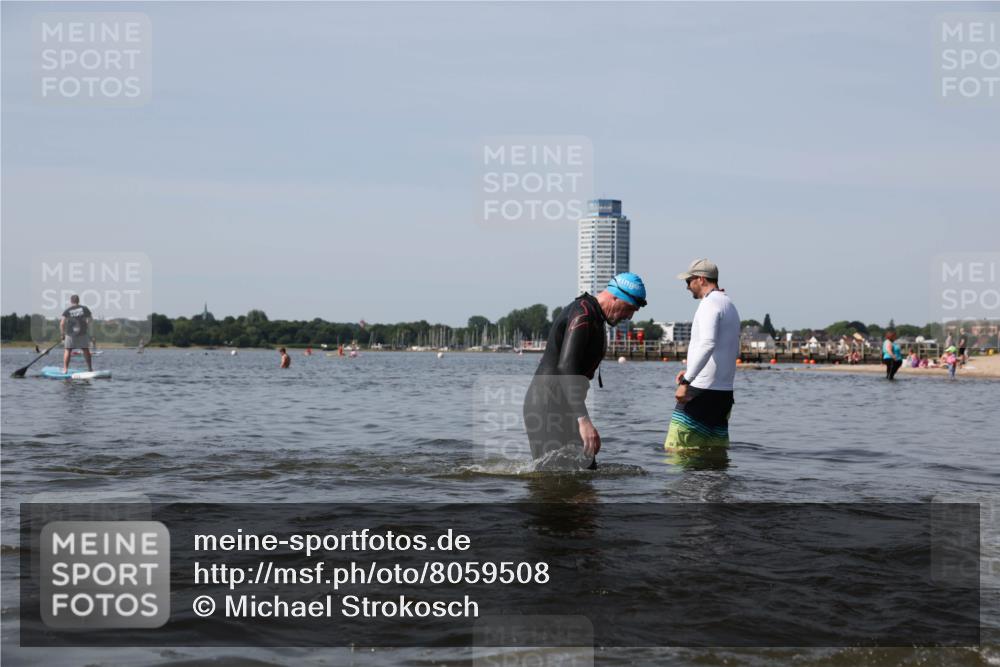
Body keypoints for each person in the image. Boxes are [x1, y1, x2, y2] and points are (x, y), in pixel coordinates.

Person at [523, 272, 647, 469]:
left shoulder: (595, 316)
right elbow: (565, 367)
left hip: (565, 405)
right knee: (550, 481)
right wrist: (584, 421)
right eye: (629, 308)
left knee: (586, 474)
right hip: (547, 406)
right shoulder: (583, 313)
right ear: (615, 297)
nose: (629, 316)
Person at [665, 259, 740, 452]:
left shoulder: (709, 304)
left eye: (688, 281)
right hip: (723, 394)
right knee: (714, 455)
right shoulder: (729, 304)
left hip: (701, 392)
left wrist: (686, 382)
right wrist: (691, 369)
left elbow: (707, 344)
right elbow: (724, 348)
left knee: (677, 450)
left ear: (700, 279)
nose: (687, 287)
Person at [60, 295, 93, 374]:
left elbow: (62, 323)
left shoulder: (67, 310)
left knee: (68, 350)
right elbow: (90, 319)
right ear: (78, 301)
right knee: (85, 350)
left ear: (71, 301)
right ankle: (90, 369)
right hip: (82, 332)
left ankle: (65, 369)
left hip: (70, 333)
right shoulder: (84, 308)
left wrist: (62, 334)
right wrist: (86, 325)